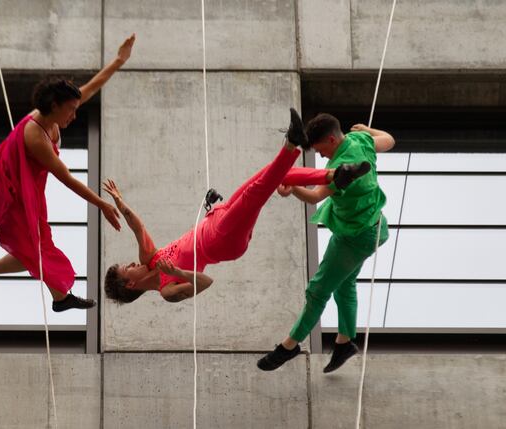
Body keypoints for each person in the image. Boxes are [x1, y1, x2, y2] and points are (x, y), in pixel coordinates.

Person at [103, 109, 371, 304]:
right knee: (258, 189)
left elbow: (136, 226)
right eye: (126, 267)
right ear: (130, 283)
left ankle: (335, 175)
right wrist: (177, 272)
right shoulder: (166, 290)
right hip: (220, 242)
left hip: (218, 219)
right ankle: (292, 143)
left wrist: (118, 200)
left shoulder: (149, 258)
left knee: (267, 176)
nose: (130, 262)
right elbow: (206, 283)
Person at [0, 34, 136, 312]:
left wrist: (119, 61)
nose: (75, 114)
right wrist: (103, 206)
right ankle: (60, 298)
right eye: (71, 110)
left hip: (28, 188)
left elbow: (93, 86)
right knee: (35, 247)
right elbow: (67, 179)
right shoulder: (36, 137)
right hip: (9, 195)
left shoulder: (58, 109)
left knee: (31, 248)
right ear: (54, 107)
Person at [257, 113, 395, 373]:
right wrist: (368, 128)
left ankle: (290, 345)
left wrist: (290, 186)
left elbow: (314, 197)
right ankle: (344, 342)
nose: (320, 156)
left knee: (318, 291)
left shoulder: (340, 171)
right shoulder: (360, 139)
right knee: (345, 285)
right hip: (375, 228)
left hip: (353, 237)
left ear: (332, 139)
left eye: (321, 150)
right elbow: (388, 139)